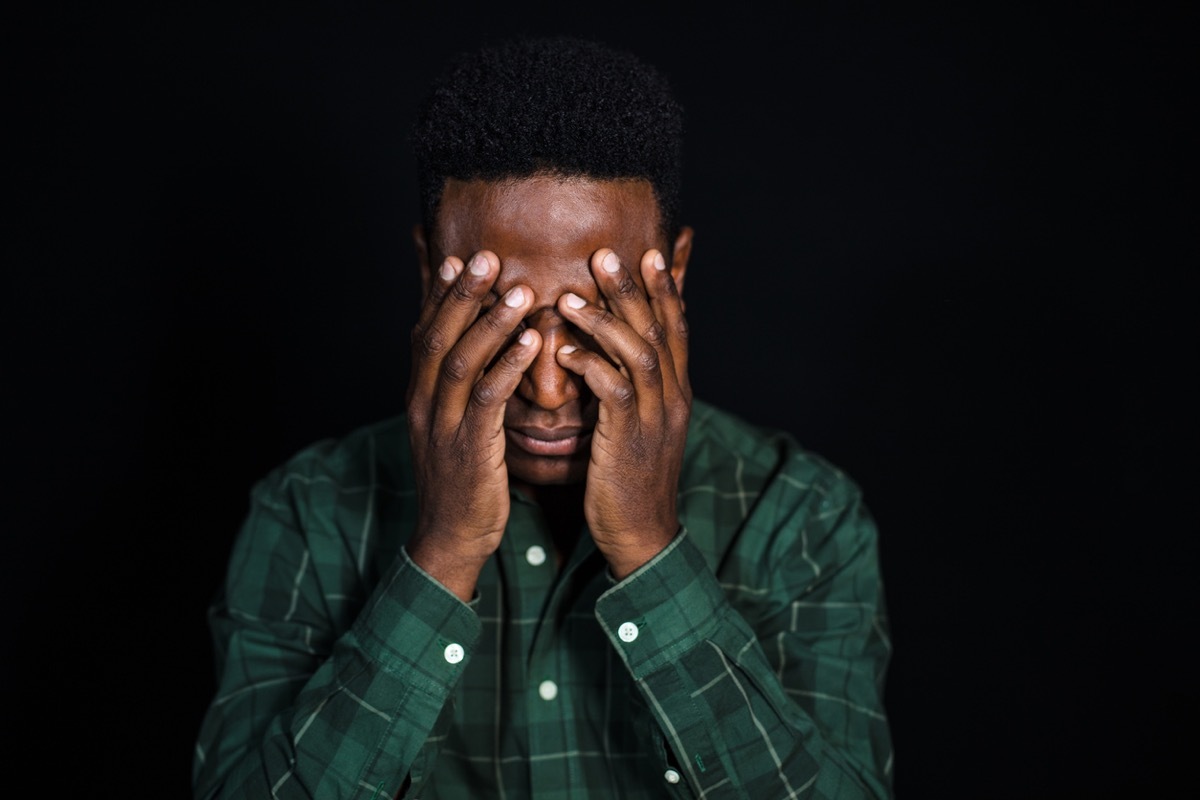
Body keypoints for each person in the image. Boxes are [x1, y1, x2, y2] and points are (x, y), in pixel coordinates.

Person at [192, 34, 893, 799]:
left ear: (676, 274)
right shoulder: (308, 513)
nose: (550, 391)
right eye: (497, 314)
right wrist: (443, 554)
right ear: (431, 273)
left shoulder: (800, 518)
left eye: (595, 317)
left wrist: (651, 553)